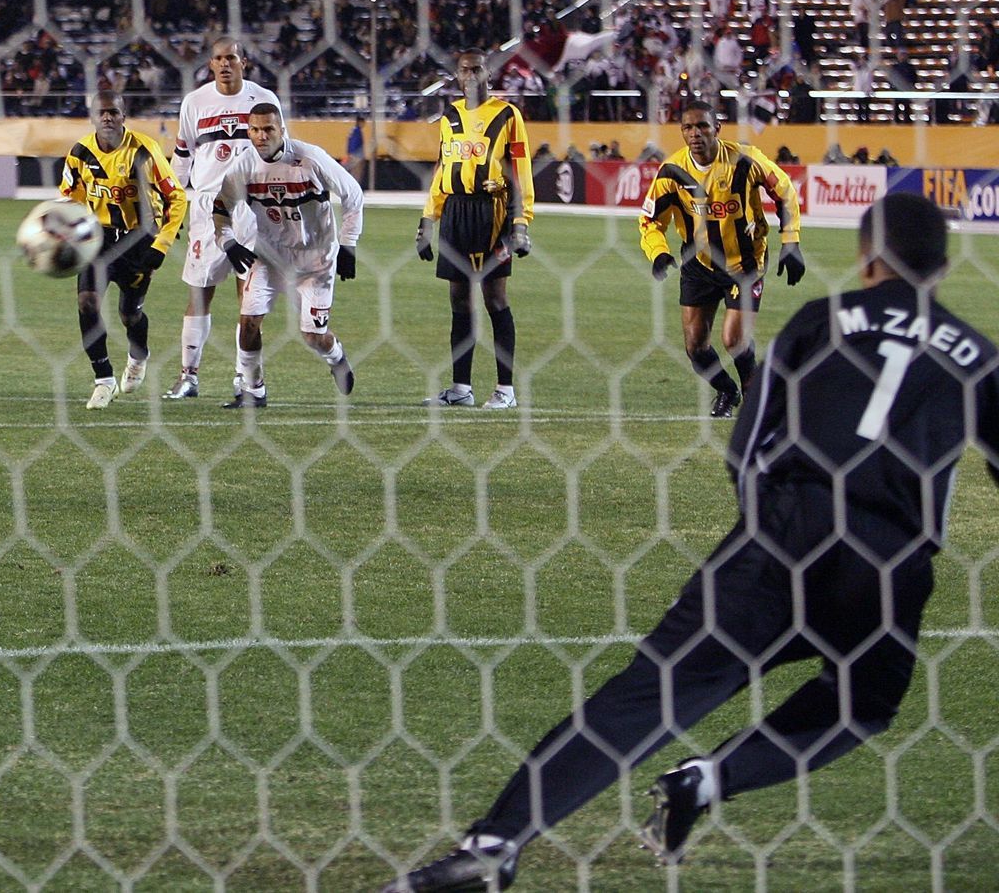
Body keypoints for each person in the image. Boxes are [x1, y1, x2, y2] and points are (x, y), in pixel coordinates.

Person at [383, 192, 999, 893]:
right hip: (890, 564)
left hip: (782, 537)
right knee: (862, 703)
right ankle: (712, 779)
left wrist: (762, 538)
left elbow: (749, 446)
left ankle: (493, 846)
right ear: (944, 268)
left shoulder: (819, 323)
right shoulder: (976, 354)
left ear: (865, 260)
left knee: (649, 696)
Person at [639, 100, 803, 418]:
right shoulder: (672, 171)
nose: (695, 133)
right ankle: (727, 391)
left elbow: (784, 191)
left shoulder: (745, 159)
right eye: (688, 127)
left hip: (745, 263)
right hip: (698, 265)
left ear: (717, 128)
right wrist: (658, 252)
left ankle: (754, 394)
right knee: (695, 347)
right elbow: (649, 220)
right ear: (681, 132)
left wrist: (791, 241)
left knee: (734, 339)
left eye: (702, 125)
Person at [211, 102, 361, 408]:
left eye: (268, 129)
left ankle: (335, 356)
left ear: (282, 129)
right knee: (248, 322)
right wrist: (228, 241)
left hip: (315, 262)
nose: (261, 136)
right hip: (268, 258)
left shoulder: (310, 158)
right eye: (254, 130)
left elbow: (353, 194)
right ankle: (254, 390)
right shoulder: (243, 166)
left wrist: (348, 244)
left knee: (312, 337)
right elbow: (220, 207)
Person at [163, 37, 282, 401]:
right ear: (211, 64)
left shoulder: (263, 100)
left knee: (249, 300)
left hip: (252, 208)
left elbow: (279, 150)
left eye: (231, 57)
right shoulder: (195, 102)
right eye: (218, 58)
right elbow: (182, 156)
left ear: (243, 61)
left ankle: (244, 380)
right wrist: (173, 203)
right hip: (205, 206)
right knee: (199, 293)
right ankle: (188, 376)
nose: (225, 63)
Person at [415, 48, 533, 410]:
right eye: (465, 70)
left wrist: (521, 222)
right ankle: (460, 388)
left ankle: (505, 390)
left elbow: (520, 169)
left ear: (489, 75)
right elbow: (441, 170)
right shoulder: (449, 117)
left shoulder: (508, 115)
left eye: (477, 69)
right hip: (455, 212)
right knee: (458, 300)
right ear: (457, 75)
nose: (471, 75)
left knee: (494, 297)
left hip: (491, 214)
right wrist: (427, 221)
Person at [58, 92, 187, 409]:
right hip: (97, 238)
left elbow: (177, 198)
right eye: (101, 112)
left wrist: (162, 245)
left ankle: (138, 354)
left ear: (124, 115)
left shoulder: (144, 150)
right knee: (87, 302)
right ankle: (103, 379)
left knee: (130, 314)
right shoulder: (79, 153)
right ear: (92, 117)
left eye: (113, 111)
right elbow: (68, 197)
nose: (107, 117)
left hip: (138, 240)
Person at [344, 115, 366, 187]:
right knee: (357, 173)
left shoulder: (354, 130)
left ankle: (354, 186)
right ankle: (355, 187)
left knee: (354, 172)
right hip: (357, 155)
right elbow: (355, 143)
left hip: (354, 154)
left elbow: (350, 142)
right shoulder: (357, 131)